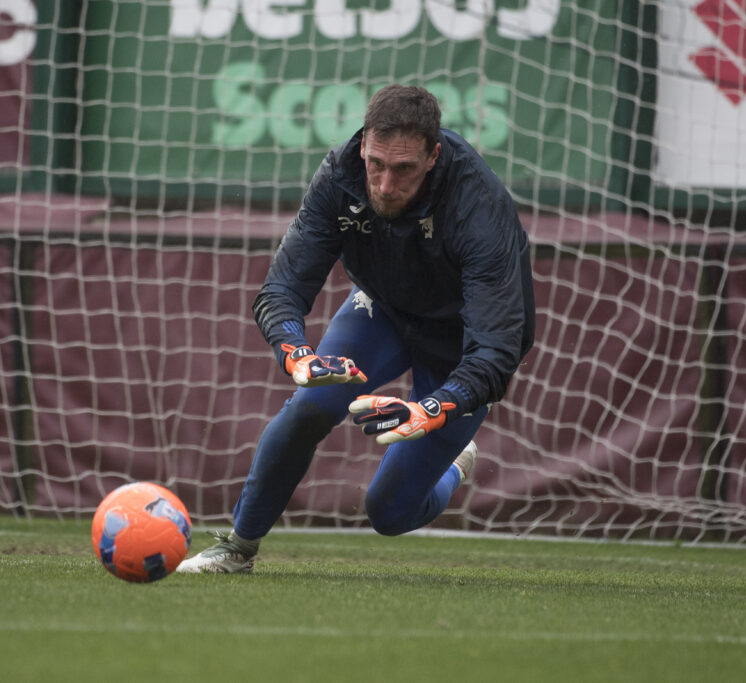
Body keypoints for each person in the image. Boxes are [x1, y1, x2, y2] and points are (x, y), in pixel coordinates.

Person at [177, 84, 535, 573]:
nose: (386, 186)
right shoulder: (340, 173)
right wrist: (296, 353)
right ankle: (238, 547)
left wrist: (433, 407)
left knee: (388, 513)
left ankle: (453, 465)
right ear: (364, 144)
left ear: (432, 156)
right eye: (377, 164)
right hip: (383, 310)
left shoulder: (480, 205)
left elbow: (496, 350)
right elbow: (280, 289)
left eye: (404, 169)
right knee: (310, 405)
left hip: (460, 346)